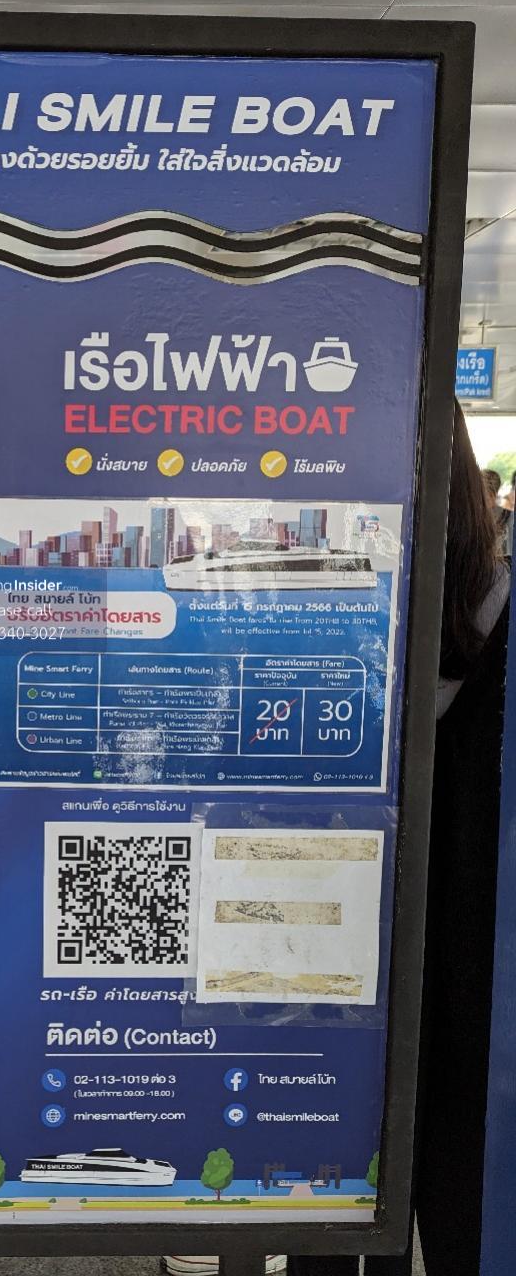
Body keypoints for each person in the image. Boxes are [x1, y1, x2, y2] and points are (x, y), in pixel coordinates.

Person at [288, 404, 510, 1276]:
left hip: (331, 928)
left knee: (326, 1159)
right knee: (451, 1174)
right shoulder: (495, 608)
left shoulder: (319, 603)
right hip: (463, 956)